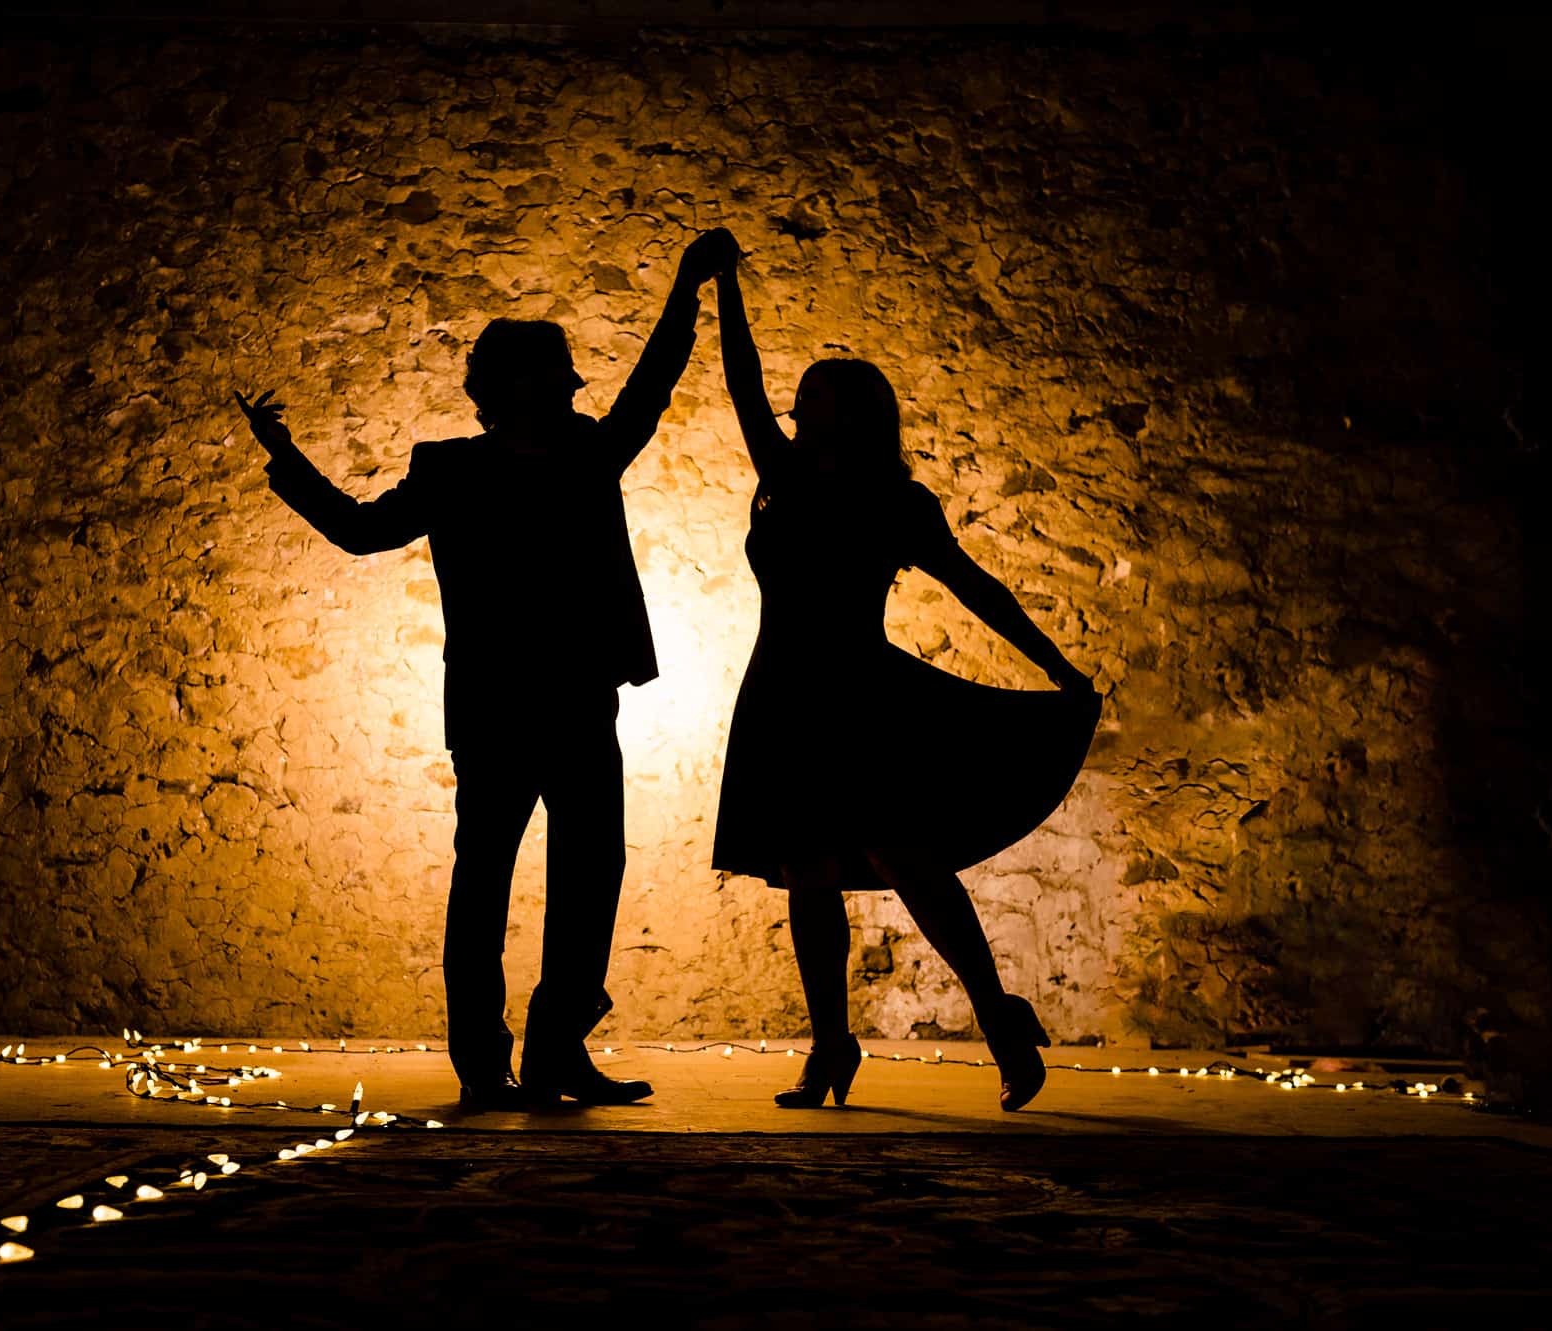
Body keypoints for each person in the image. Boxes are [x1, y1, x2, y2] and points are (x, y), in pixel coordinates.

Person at [235, 227, 740, 1112]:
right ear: (509, 387)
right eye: (552, 374)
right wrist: (284, 456)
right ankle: (483, 1064)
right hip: (497, 711)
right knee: (484, 884)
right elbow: (360, 530)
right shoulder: (451, 470)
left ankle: (555, 1054)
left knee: (590, 878)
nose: (568, 388)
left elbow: (652, 386)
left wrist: (688, 289)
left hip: (582, 702)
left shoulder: (589, 453)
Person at [710, 249, 1101, 1113]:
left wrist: (1060, 669)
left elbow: (978, 591)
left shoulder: (897, 504)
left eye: (821, 405)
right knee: (806, 873)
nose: (802, 413)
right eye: (804, 402)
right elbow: (742, 383)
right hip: (781, 696)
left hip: (859, 699)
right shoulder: (782, 476)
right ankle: (830, 1046)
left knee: (908, 859)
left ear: (855, 419)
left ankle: (998, 1020)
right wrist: (726, 287)